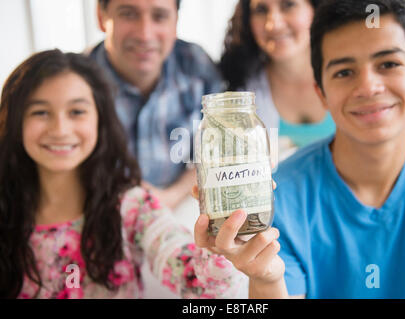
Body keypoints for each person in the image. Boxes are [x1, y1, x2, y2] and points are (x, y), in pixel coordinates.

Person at [0, 50, 246, 299]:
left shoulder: (133, 207)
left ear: (100, 119)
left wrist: (218, 247)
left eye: (77, 112)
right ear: (15, 121)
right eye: (40, 112)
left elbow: (200, 284)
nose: (60, 129)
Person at [271, 0, 405, 298]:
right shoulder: (281, 197)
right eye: (344, 72)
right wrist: (266, 280)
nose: (368, 87)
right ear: (321, 93)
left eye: (388, 64)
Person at [88, 0, 224, 209]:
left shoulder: (195, 65)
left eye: (159, 16)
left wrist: (172, 195)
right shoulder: (77, 83)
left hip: (182, 207)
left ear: (175, 22)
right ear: (102, 17)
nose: (145, 34)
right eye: (128, 14)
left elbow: (222, 148)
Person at [219, 0, 335, 159]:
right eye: (260, 10)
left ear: (315, 9)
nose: (273, 25)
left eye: (288, 5)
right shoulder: (234, 91)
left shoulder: (351, 79)